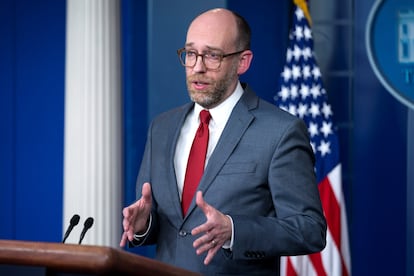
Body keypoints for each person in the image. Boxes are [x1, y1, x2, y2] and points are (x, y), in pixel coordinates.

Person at [120, 8, 326, 275]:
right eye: (191, 53)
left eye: (212, 56)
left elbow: (310, 229)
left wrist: (234, 230)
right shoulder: (161, 127)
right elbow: (173, 228)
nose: (197, 67)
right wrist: (144, 225)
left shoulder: (281, 132)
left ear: (243, 62)